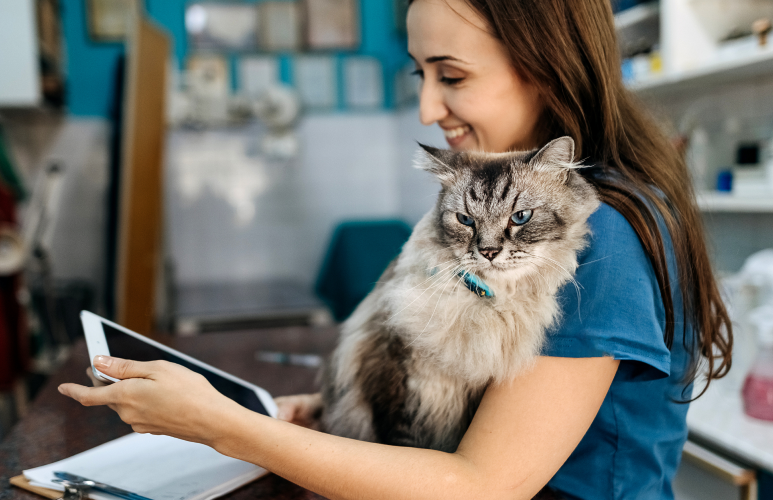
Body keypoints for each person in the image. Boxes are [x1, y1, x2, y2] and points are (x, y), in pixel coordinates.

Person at [59, 0, 734, 498]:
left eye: (453, 75)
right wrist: (331, 413)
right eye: (421, 76)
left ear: (545, 69)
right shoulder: (509, 192)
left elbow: (481, 486)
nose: (428, 108)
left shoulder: (599, 232)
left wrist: (225, 427)